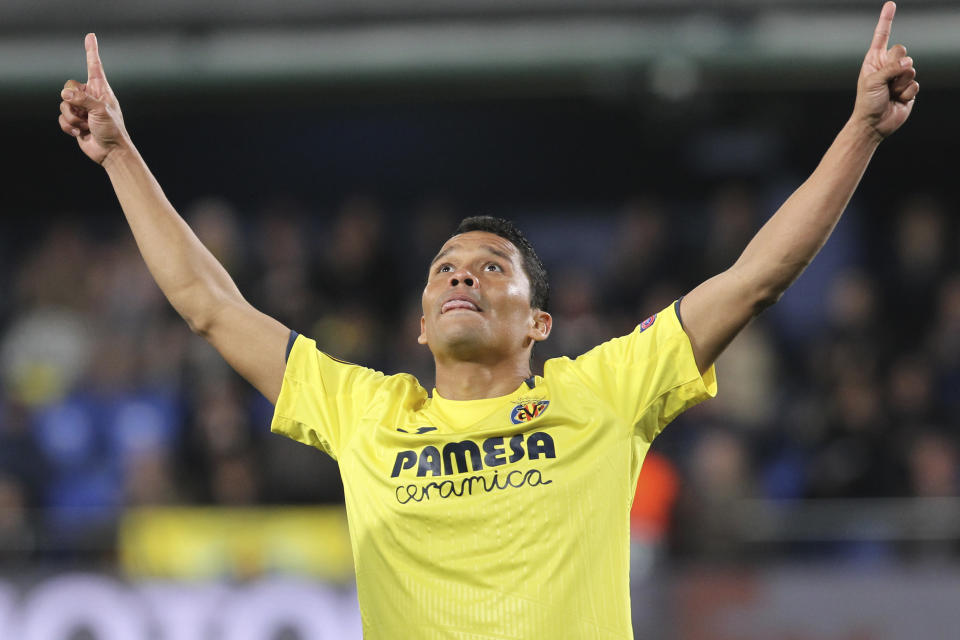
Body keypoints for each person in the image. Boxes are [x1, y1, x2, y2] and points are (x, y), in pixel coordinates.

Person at [58, 2, 917, 637]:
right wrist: (120, 156)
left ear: (539, 324)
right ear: (422, 324)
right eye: (443, 270)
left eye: (490, 268)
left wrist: (862, 131)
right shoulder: (366, 412)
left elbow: (757, 277)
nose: (460, 275)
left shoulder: (604, 393)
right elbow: (210, 307)